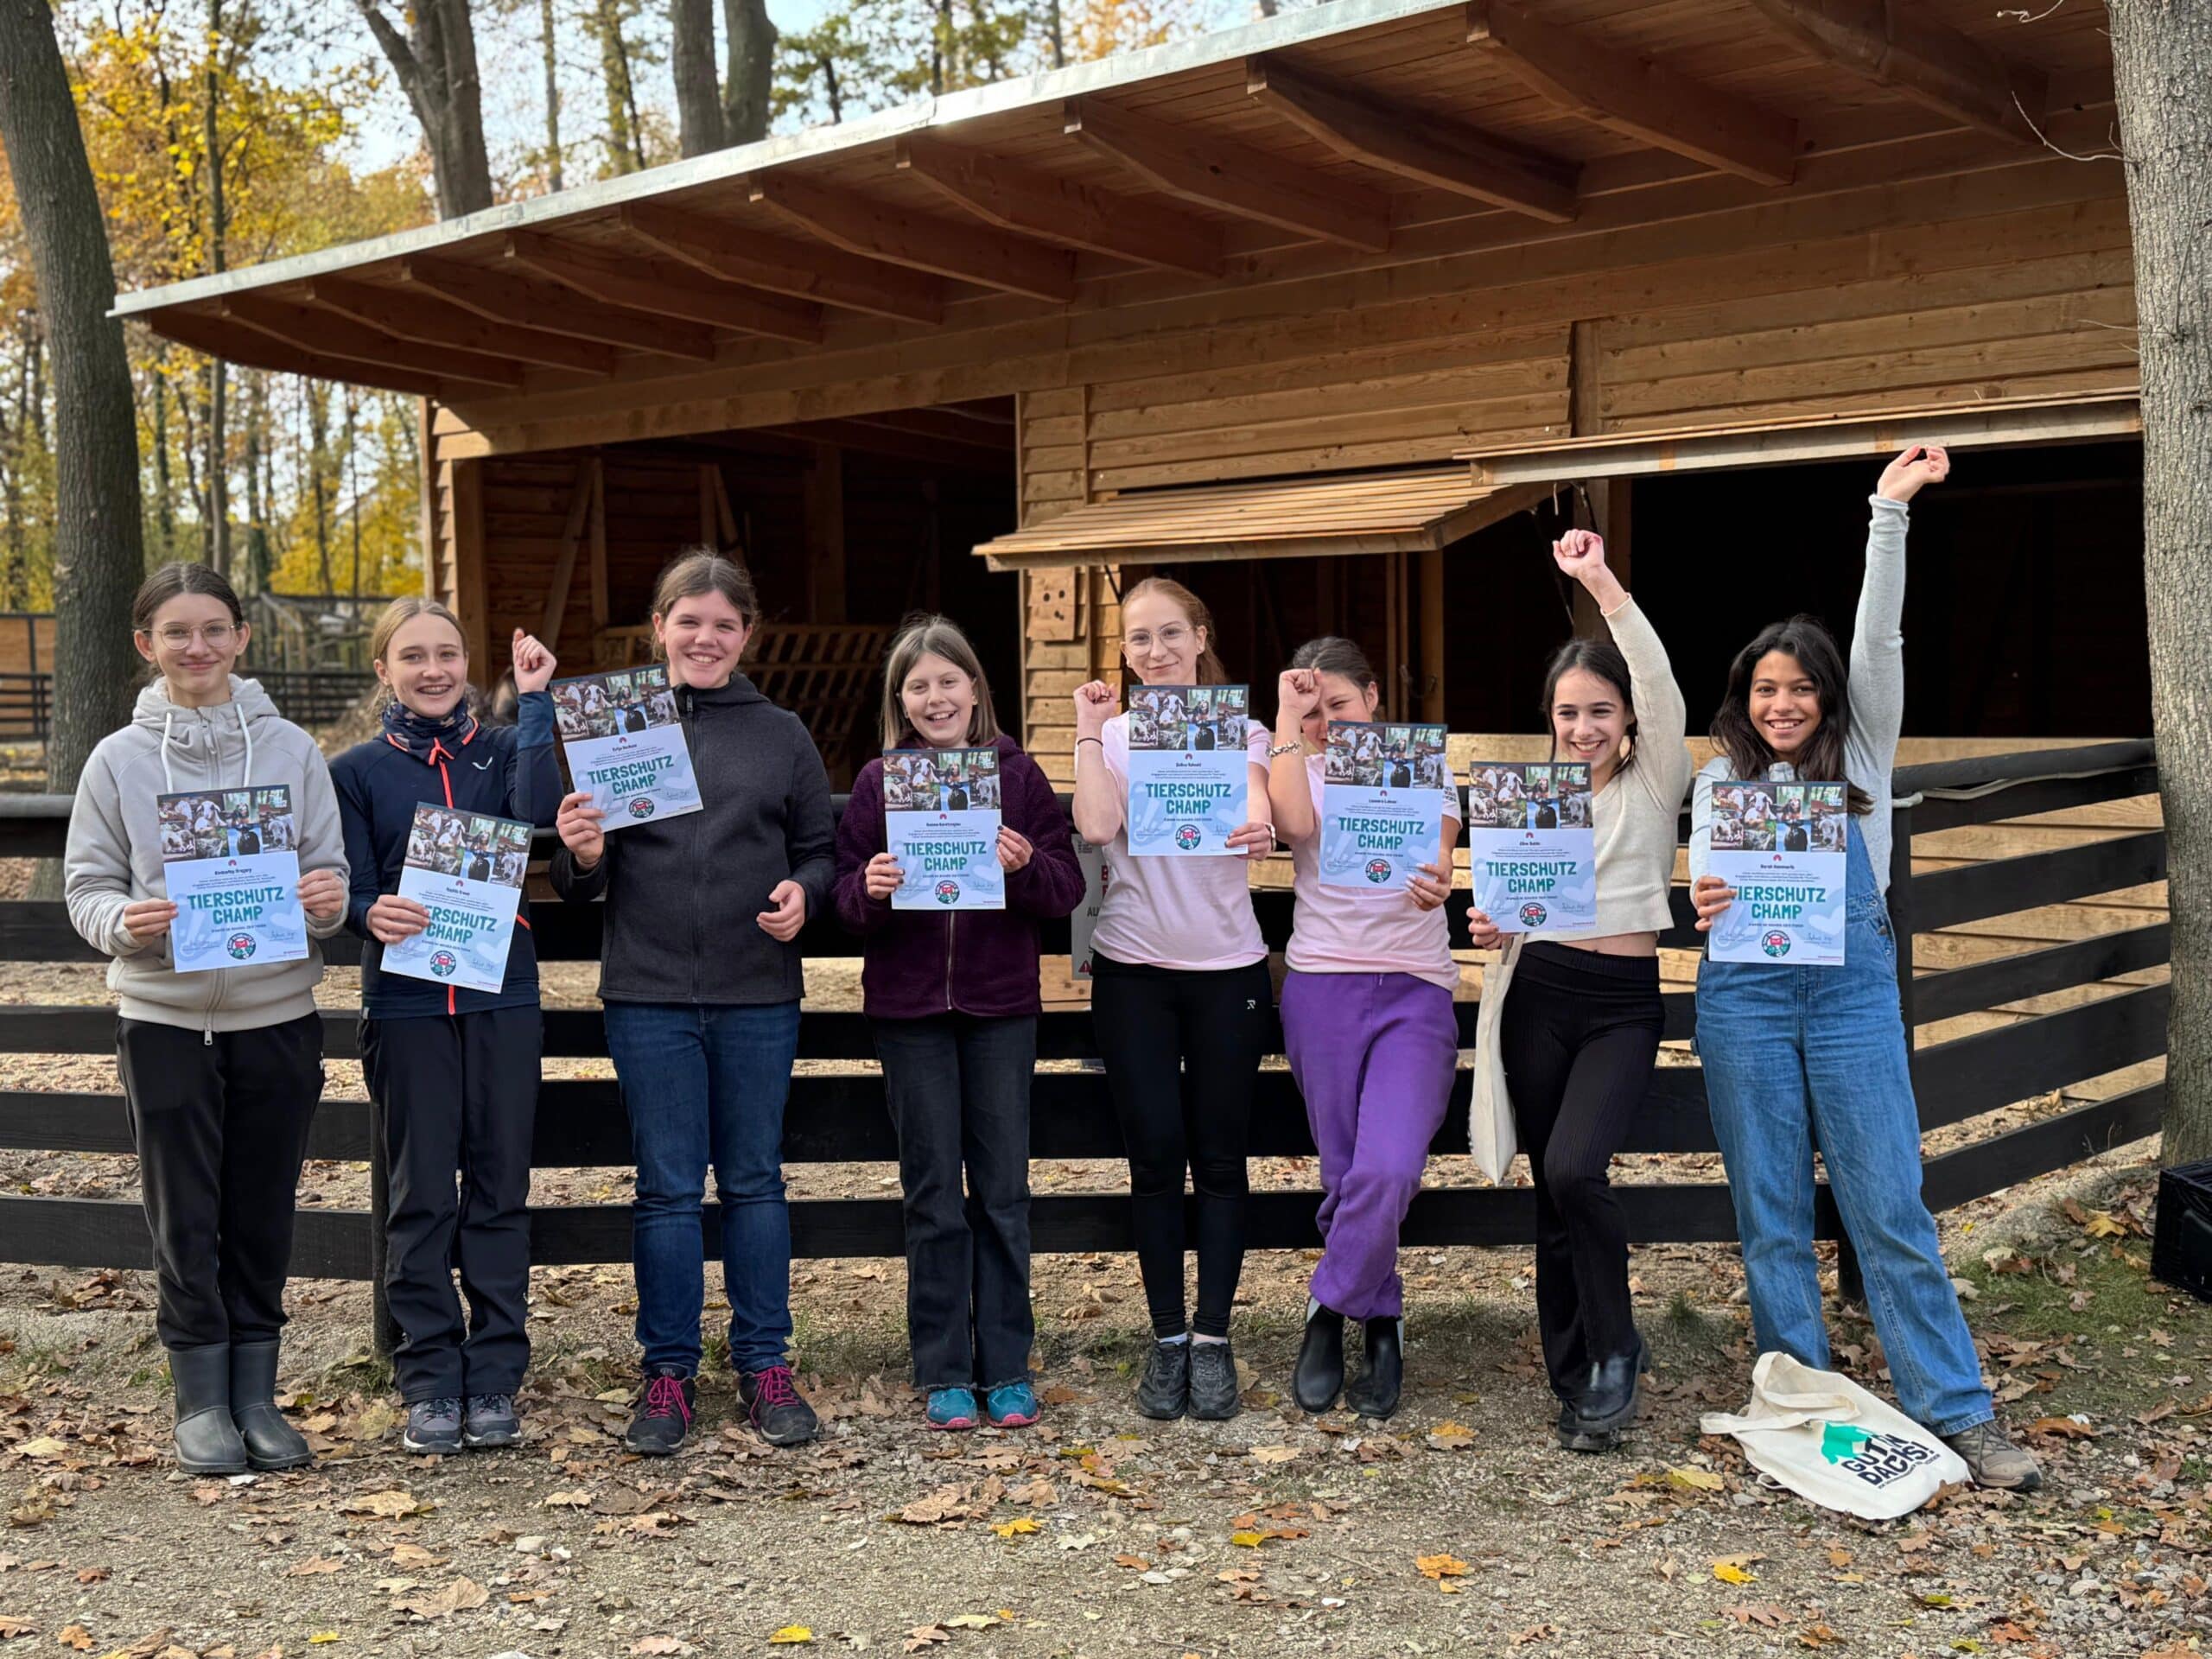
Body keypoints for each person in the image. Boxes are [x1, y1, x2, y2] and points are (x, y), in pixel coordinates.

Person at [1688, 446, 2039, 1491]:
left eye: (1799, 688)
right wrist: (1701, 901)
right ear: (1744, 699)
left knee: (1888, 1206)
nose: (1781, 704)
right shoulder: (1721, 789)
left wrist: (1888, 511)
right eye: (1764, 689)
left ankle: (1956, 1409)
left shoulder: (1864, 762)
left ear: (1827, 697)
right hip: (1743, 1002)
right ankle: (1801, 1407)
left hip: (1850, 1000)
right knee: (1770, 1218)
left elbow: (1879, 633)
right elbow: (1712, 899)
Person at [62, 563, 350, 1475]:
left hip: (277, 1012)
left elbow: (331, 876)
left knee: (264, 1206)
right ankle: (199, 1403)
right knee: (183, 1212)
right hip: (164, 1016)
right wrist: (121, 923)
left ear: (241, 639)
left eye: (215, 629)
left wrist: (321, 897)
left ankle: (256, 1395)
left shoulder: (294, 752)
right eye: (178, 632)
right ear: (147, 644)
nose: (198, 647)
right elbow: (86, 885)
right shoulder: (117, 759)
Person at [550, 550, 834, 1455]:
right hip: (648, 991)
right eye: (687, 621)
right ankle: (666, 1374)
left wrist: (805, 893)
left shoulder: (781, 733)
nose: (704, 637)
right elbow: (576, 878)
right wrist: (584, 853)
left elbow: (820, 847)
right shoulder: (614, 728)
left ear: (745, 635)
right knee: (667, 1190)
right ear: (659, 628)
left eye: (722, 624)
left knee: (753, 1180)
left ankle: (763, 1365)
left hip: (757, 991)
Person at [1467, 529, 1691, 1452]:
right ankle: (1577, 1375)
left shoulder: (1651, 783)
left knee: (1574, 1168)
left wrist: (1597, 582)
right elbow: (1507, 907)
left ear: (1627, 719)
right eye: (1567, 713)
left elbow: (1660, 678)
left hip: (1621, 1001)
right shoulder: (1534, 802)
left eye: (1600, 710)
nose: (1583, 728)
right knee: (1548, 1197)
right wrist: (1490, 925)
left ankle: (1617, 1348)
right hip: (1539, 988)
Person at [835, 616, 1084, 1432]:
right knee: (934, 1193)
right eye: (918, 686)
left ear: (975, 688)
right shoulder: (880, 781)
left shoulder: (1018, 776)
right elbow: (844, 902)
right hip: (909, 1013)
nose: (935, 697)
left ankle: (1007, 1363)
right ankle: (944, 1367)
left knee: (1004, 1193)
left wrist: (1023, 867)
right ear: (900, 702)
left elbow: (1066, 887)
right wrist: (868, 885)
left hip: (1000, 1009)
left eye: (949, 680)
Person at [331, 601, 560, 1457]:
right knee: (421, 1193)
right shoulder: (354, 771)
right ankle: (429, 1376)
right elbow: (343, 882)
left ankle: (496, 1372)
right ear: (383, 669)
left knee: (499, 1187)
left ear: (469, 663)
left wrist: (534, 699)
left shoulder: (504, 751)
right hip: (407, 1004)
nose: (433, 669)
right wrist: (365, 911)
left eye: (449, 654)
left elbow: (539, 815)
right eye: (413, 655)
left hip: (501, 996)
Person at [1071, 577, 1274, 1422]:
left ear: (1199, 637)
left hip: (1227, 969)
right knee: (1155, 1157)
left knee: (1221, 1160)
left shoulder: (1244, 730)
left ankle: (1213, 1339)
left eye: (1168, 635)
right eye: (1138, 640)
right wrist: (1087, 731)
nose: (1153, 652)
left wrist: (1258, 816)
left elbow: (1265, 805)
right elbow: (1092, 826)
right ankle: (1163, 1340)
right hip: (1134, 973)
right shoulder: (1115, 737)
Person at [1268, 639, 1459, 1420]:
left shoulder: (1421, 765)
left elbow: (1441, 853)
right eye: (1311, 711)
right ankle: (1382, 1319)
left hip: (1415, 988)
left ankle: (1328, 1307)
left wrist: (1438, 881)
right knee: (1346, 1173)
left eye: (1337, 706)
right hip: (1321, 986)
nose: (1324, 724)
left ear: (1374, 698)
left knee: (1388, 1168)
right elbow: (1289, 824)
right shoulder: (1298, 762)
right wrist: (1288, 715)